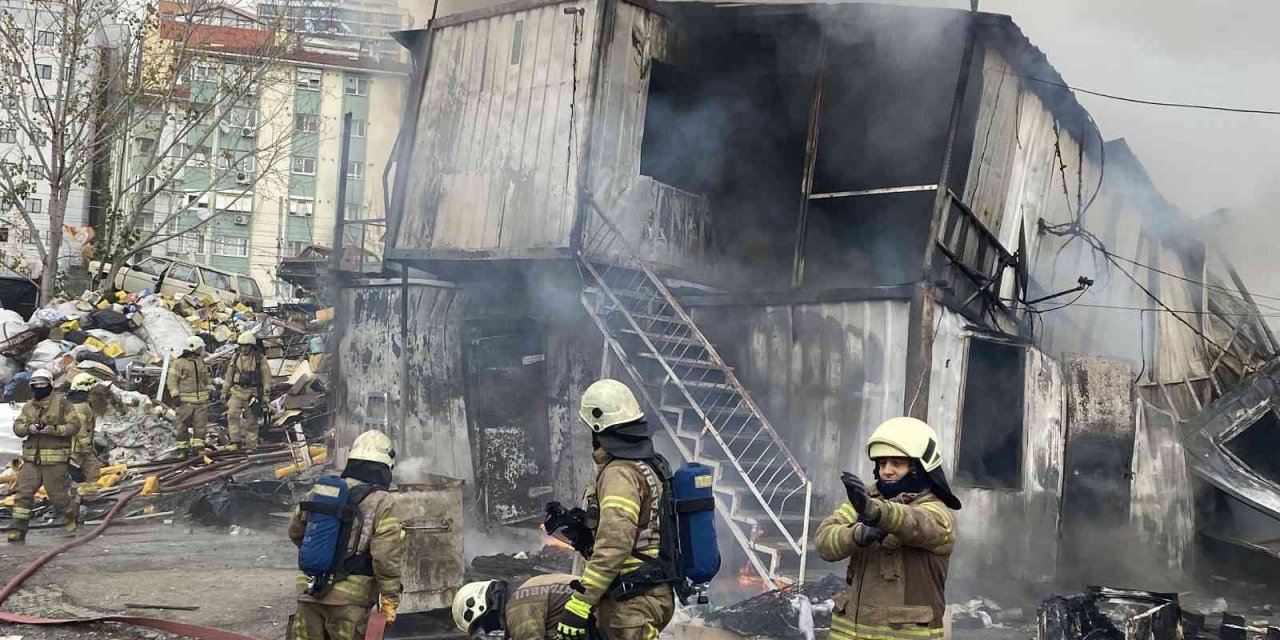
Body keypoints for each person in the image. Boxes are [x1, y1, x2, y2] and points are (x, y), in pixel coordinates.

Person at [815, 417, 962, 640]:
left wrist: (876, 513)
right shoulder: (864, 500)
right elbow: (824, 541)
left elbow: (913, 523)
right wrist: (857, 534)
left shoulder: (937, 513)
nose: (887, 471)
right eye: (882, 463)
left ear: (919, 468)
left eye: (897, 463)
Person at [552, 379, 674, 640]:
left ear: (599, 429)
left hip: (631, 602)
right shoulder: (646, 465)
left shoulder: (620, 473)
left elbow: (616, 544)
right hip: (645, 593)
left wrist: (580, 602)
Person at [287, 430, 403, 640]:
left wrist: (323, 555)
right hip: (350, 602)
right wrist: (389, 598)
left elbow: (295, 532)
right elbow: (385, 556)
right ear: (385, 466)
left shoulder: (320, 491)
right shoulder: (382, 501)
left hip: (309, 591)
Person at [8, 369, 79, 542]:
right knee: (23, 493)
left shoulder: (62, 403)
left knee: (58, 496)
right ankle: (18, 528)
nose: (40, 388)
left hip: (55, 462)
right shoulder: (28, 407)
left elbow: (74, 425)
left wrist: (53, 430)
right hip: (32, 460)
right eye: (36, 385)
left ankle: (71, 515)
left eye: (43, 384)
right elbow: (17, 427)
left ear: (50, 385)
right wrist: (28, 428)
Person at [452, 574, 589, 640]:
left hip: (603, 620)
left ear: (481, 608)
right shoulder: (520, 593)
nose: (487, 630)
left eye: (481, 626)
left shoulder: (516, 610)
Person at [222, 332, 271, 452]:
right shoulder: (236, 357)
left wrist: (266, 396)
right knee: (232, 415)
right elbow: (229, 375)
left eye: (246, 346)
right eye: (241, 346)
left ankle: (251, 446)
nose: (243, 349)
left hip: (252, 393)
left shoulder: (260, 359)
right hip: (237, 391)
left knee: (251, 420)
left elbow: (266, 378)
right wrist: (225, 391)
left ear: (251, 346)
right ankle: (235, 441)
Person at [168, 336, 212, 455]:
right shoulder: (178, 363)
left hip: (201, 403)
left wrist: (210, 390)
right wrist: (175, 395)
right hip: (185, 403)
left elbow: (206, 379)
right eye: (200, 348)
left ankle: (199, 450)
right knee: (182, 426)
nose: (202, 350)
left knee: (200, 427)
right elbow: (172, 380)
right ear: (195, 347)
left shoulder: (200, 361)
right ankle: (182, 450)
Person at [67, 373, 102, 492]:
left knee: (87, 472)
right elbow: (79, 428)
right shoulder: (80, 406)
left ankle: (87, 495)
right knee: (92, 471)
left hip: (77, 448)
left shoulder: (78, 403)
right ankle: (87, 496)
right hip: (77, 449)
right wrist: (87, 446)